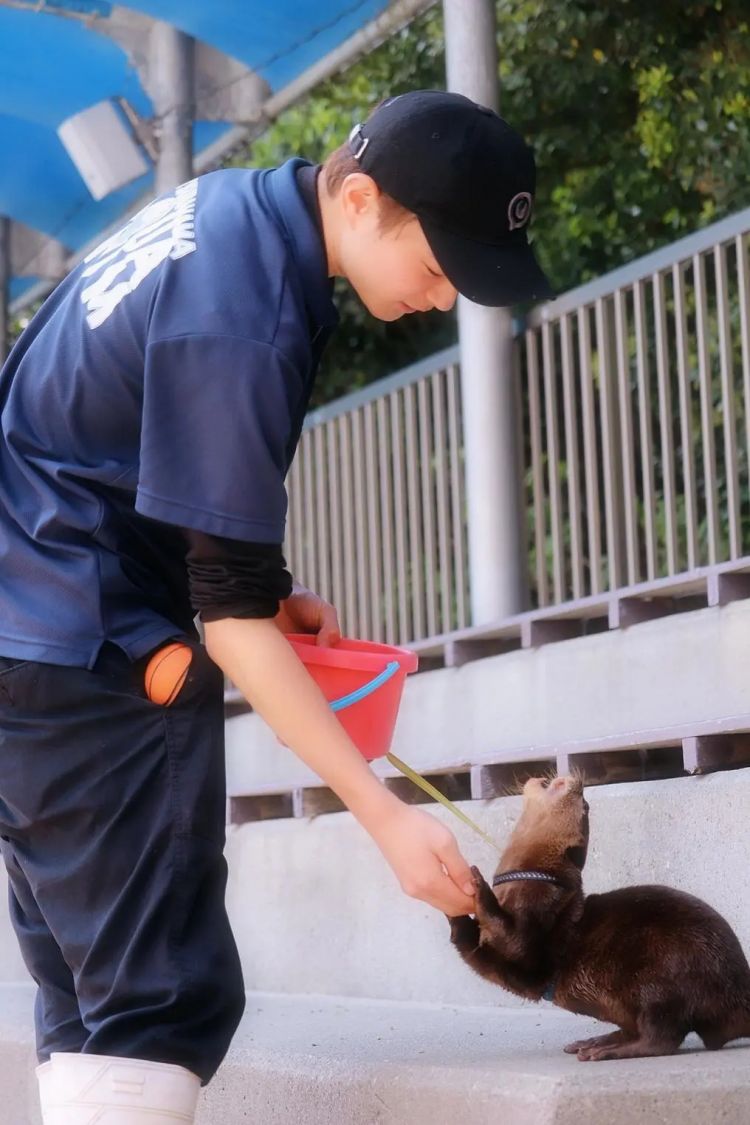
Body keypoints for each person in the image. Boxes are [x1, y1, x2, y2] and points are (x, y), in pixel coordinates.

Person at [0, 89, 553, 1122]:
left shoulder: (226, 216)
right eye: (438, 267)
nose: (441, 299)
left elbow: (100, 436)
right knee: (156, 1000)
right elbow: (229, 621)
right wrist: (384, 817)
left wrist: (264, 582)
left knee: (91, 994)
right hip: (86, 642)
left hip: (27, 625)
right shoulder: (243, 309)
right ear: (358, 197)